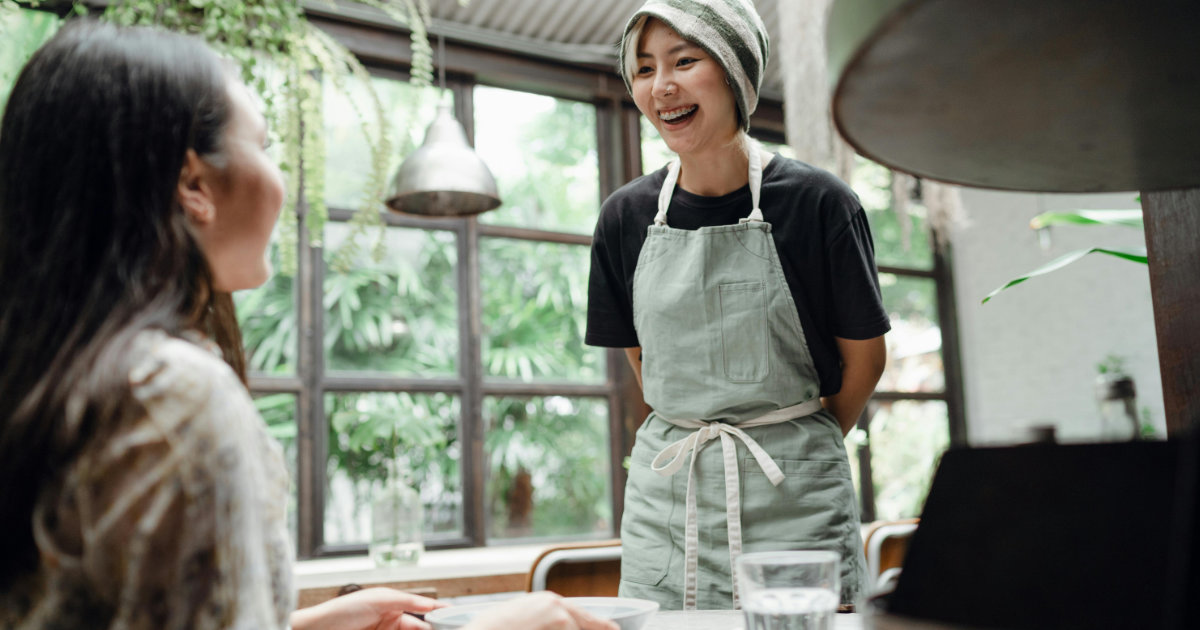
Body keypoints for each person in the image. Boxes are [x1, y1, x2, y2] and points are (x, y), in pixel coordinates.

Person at [0, 21, 615, 630]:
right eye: (264, 147)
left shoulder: (63, 374)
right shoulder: (174, 396)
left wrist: (305, 625)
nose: (281, 183)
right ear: (193, 184)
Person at [585, 0, 890, 611]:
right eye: (643, 69)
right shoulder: (625, 217)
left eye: (684, 60)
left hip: (793, 497)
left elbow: (866, 361)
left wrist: (799, 447)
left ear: (733, 71)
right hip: (670, 500)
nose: (661, 86)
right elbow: (644, 360)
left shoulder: (819, 203)